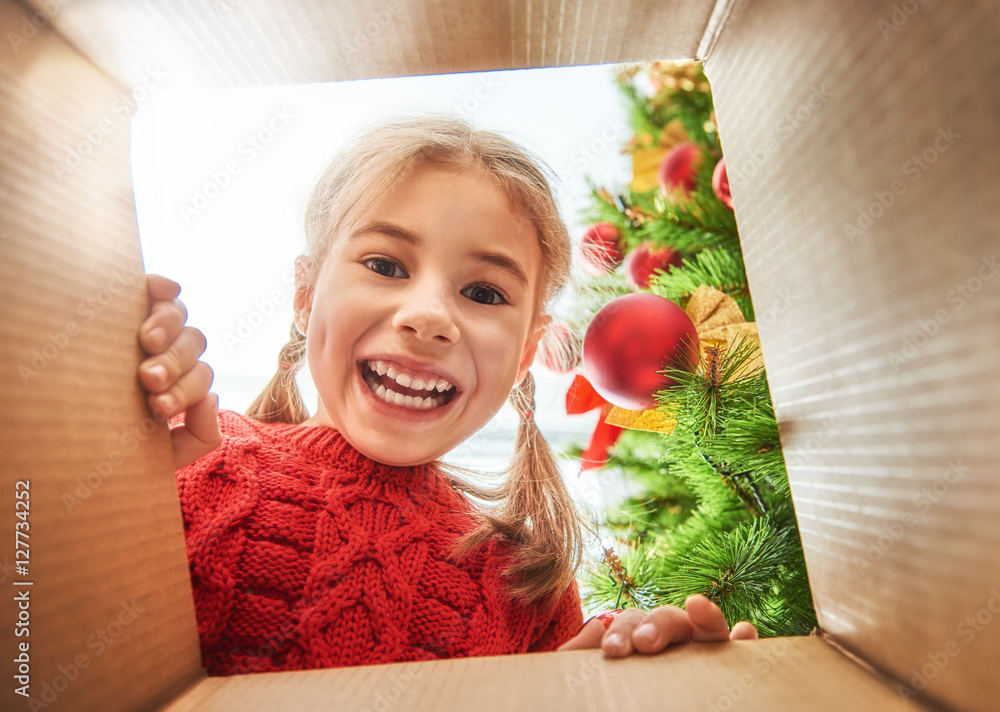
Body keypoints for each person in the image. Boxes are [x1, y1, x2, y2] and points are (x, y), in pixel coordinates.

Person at [137, 116, 757, 676]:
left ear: (522, 357)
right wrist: (124, 492)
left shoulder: (531, 592)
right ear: (305, 295)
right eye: (385, 265)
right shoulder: (180, 460)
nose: (429, 317)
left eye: (484, 294)